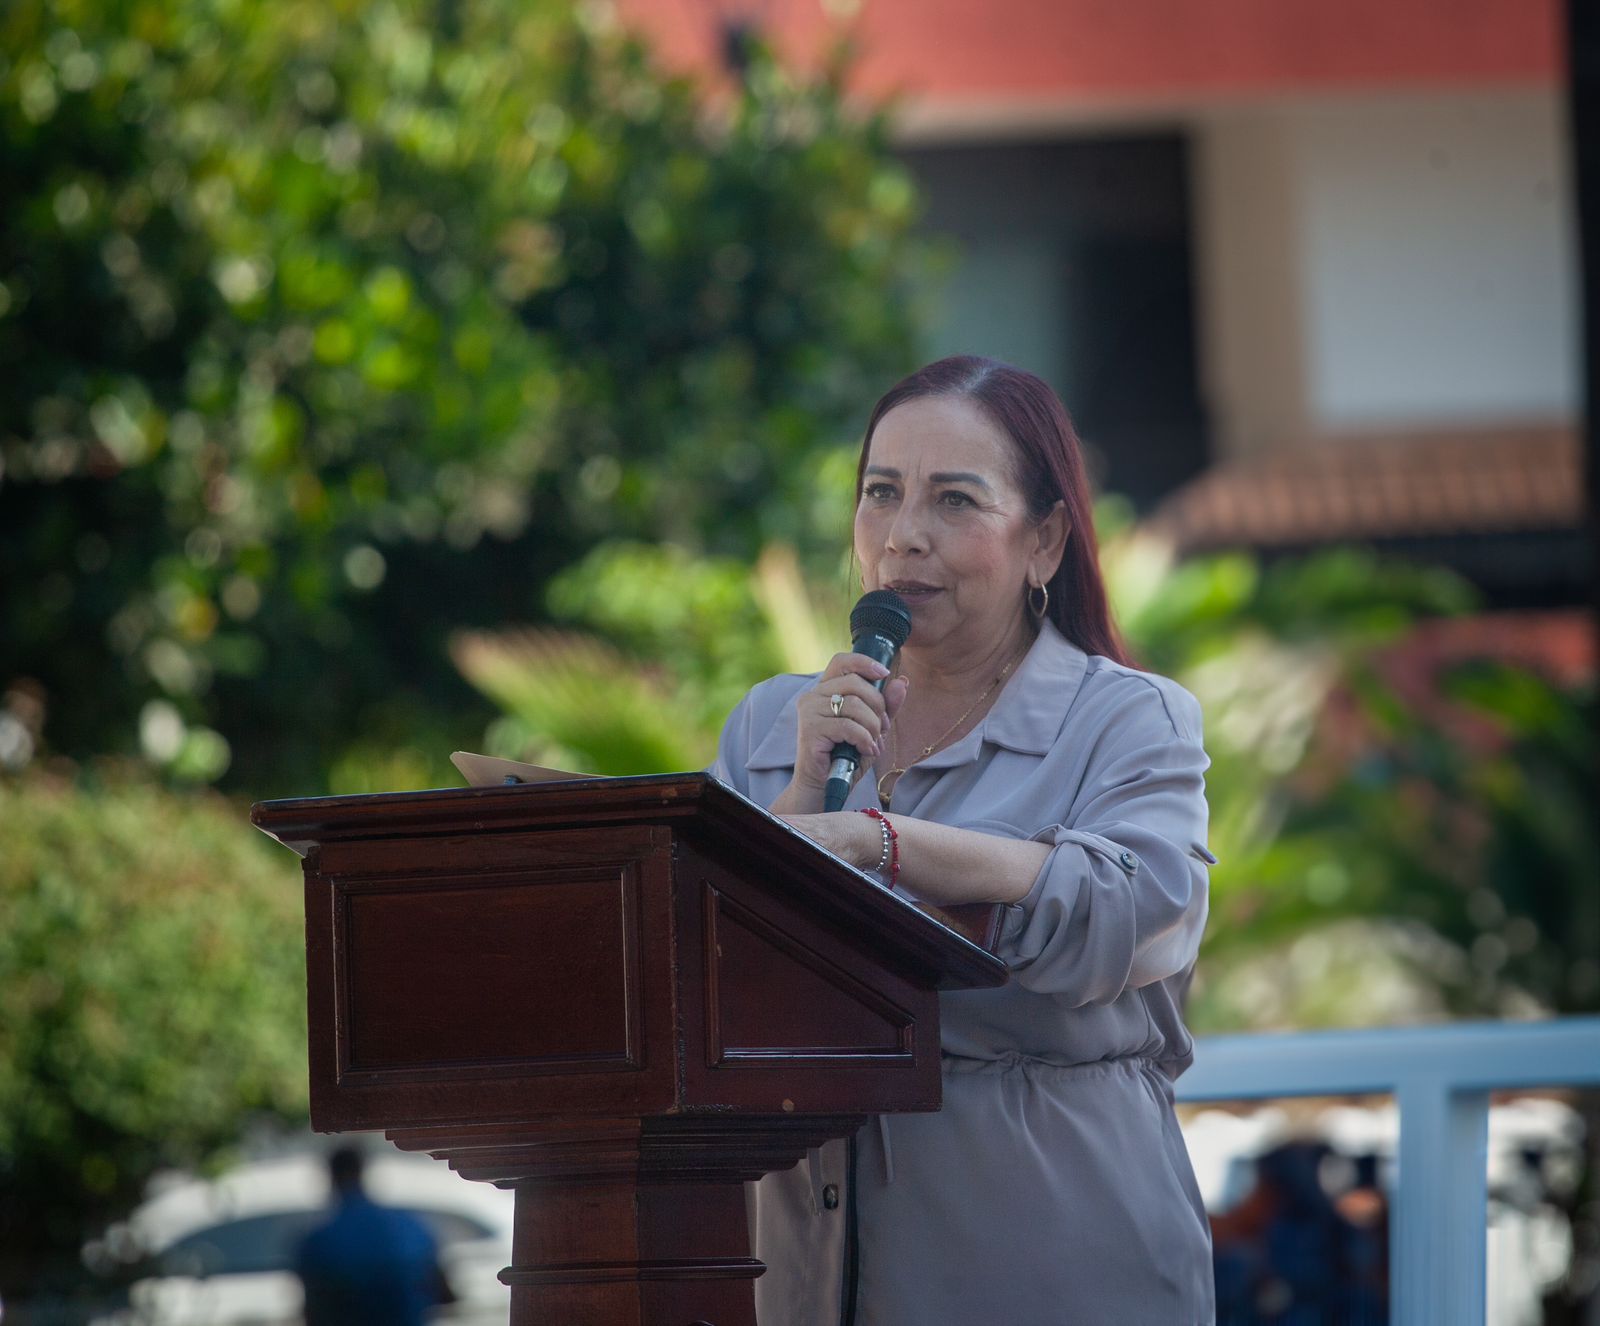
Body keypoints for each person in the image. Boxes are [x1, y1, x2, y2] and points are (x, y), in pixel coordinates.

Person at [710, 356, 1216, 1324]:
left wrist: (884, 843)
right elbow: (714, 956)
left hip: (1048, 1250)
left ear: (1047, 539)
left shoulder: (1127, 718)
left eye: (953, 501)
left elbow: (1131, 913)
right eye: (881, 494)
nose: (904, 536)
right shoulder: (775, 725)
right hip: (805, 1265)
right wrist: (808, 789)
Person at [294, 1146, 453, 1326]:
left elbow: (312, 1310)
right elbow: (445, 1293)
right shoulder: (409, 1227)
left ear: (331, 1177)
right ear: (363, 1172)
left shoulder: (318, 1240)